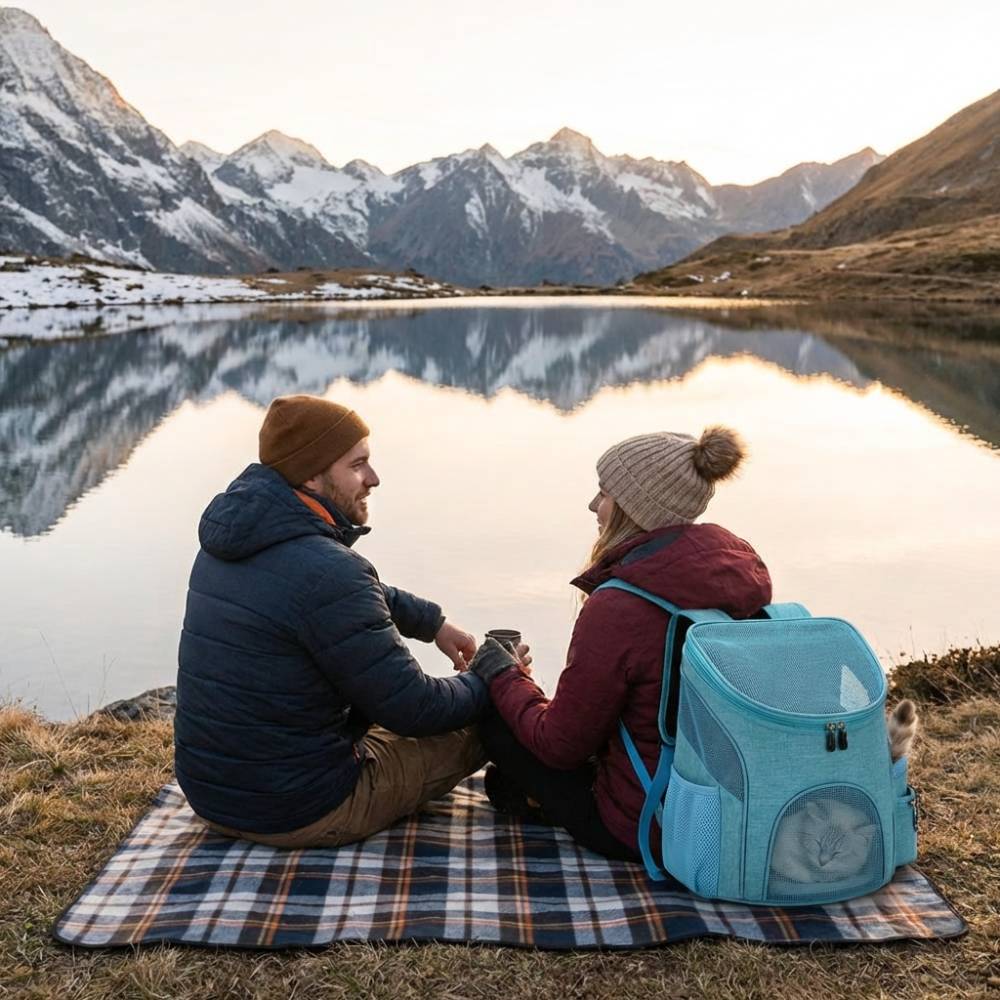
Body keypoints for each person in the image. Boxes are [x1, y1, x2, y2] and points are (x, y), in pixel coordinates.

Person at [174, 394, 488, 848]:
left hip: (213, 797)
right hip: (299, 809)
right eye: (358, 465)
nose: (374, 478)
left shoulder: (232, 543)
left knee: (390, 700)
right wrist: (492, 677)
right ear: (312, 475)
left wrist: (431, 623)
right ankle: (538, 799)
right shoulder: (329, 571)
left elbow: (339, 596)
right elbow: (417, 707)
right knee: (487, 716)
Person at [466, 426, 772, 861]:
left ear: (634, 510)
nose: (593, 505)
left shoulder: (621, 605)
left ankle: (529, 793)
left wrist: (503, 673)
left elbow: (560, 745)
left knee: (498, 722)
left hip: (650, 827)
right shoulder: (742, 575)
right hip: (730, 811)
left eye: (605, 493)